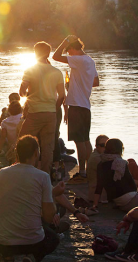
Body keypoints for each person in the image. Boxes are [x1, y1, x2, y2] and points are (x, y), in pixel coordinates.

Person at [0, 135, 80, 261]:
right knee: (53, 239)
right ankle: (33, 258)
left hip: (4, 242)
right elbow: (48, 216)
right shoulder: (42, 176)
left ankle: (9, 256)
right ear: (36, 153)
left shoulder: (3, 172)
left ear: (17, 153)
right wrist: (52, 195)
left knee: (0, 210)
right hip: (33, 242)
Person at [52, 35, 99, 182]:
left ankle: (83, 172)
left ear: (73, 48)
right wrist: (76, 84)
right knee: (85, 140)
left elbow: (55, 56)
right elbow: (96, 82)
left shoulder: (79, 59)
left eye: (69, 51)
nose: (69, 55)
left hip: (76, 106)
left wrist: (64, 41)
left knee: (79, 141)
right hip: (85, 105)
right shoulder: (90, 61)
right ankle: (90, 170)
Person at [18, 41, 65, 174]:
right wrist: (55, 109)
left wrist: (27, 93)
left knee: (22, 142)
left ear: (35, 53)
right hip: (51, 113)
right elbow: (62, 95)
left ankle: (22, 172)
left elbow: (21, 92)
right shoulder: (57, 72)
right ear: (48, 54)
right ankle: (45, 176)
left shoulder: (30, 70)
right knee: (48, 148)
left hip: (35, 113)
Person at [91, 139, 138, 213]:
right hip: (131, 200)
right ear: (120, 149)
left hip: (118, 202)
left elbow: (99, 186)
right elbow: (131, 183)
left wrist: (94, 205)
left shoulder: (101, 164)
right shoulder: (121, 163)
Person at [87, 134, 109, 202]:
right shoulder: (97, 158)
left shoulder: (102, 156)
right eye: (103, 145)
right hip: (100, 195)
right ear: (96, 146)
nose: (105, 148)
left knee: (130, 162)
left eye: (108, 145)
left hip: (101, 192)